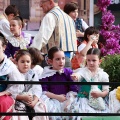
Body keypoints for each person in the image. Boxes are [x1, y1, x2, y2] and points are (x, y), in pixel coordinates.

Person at [31, 0, 77, 68]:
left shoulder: (50, 16)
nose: (40, 5)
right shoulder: (69, 18)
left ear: (50, 2)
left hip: (53, 61)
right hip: (67, 60)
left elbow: (42, 38)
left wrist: (30, 53)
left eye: (42, 2)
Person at [70, 48, 109, 120]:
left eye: (94, 60)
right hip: (84, 99)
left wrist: (100, 94)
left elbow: (106, 90)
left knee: (99, 115)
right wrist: (76, 77)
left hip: (98, 100)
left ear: (99, 61)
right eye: (88, 60)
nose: (91, 63)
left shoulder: (103, 75)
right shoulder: (83, 71)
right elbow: (79, 75)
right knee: (85, 113)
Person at [40, 46, 78, 120]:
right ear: (50, 61)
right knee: (50, 111)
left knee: (72, 110)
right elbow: (44, 91)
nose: (61, 61)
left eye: (63, 58)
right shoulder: (46, 74)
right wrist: (57, 97)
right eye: (58, 59)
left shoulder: (68, 72)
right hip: (52, 98)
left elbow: (73, 89)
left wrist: (69, 100)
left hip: (66, 98)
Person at [14, 49, 48, 120]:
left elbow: (37, 88)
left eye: (28, 62)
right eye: (22, 62)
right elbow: (11, 91)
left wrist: (34, 101)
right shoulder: (14, 74)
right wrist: (22, 97)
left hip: (31, 98)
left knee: (40, 107)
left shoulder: (32, 73)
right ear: (17, 62)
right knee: (20, 111)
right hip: (18, 98)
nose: (25, 64)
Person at [0, 33, 24, 120]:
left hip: (3, 96)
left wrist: (4, 93)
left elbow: (18, 85)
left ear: (4, 47)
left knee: (2, 102)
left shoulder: (9, 66)